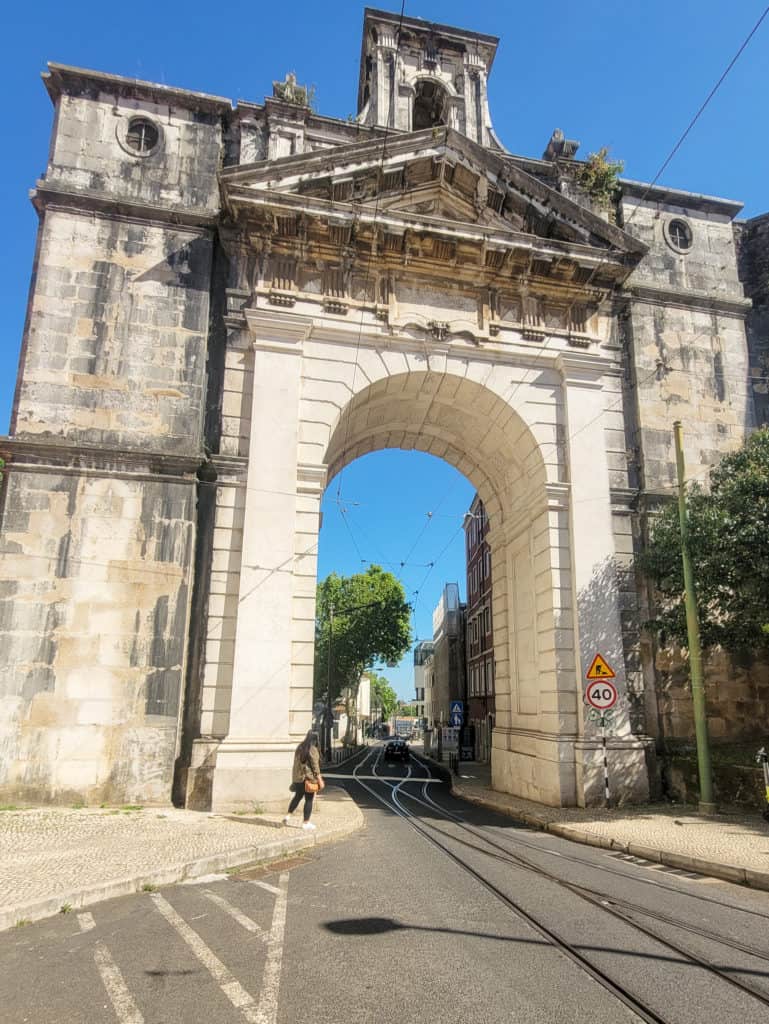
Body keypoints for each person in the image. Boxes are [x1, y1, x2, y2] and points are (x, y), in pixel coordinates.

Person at [284, 730, 324, 830]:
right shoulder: (312, 749)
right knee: (309, 800)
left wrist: (294, 779)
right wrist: (320, 780)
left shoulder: (300, 747)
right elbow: (315, 766)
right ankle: (306, 823)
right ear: (316, 739)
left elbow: (295, 765)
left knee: (297, 797)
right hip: (308, 779)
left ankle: (287, 816)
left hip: (298, 778)